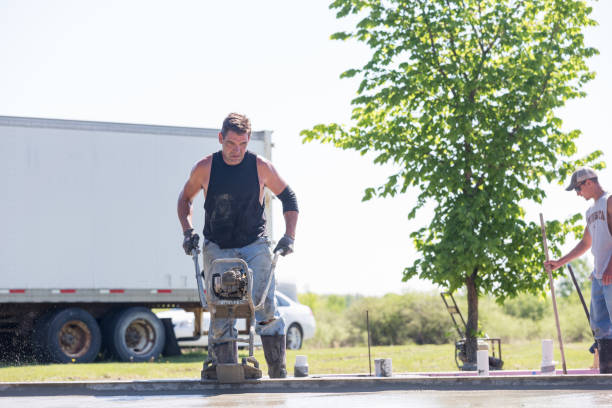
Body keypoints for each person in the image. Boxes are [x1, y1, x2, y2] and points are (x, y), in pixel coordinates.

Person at [177, 113, 298, 378]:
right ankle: (226, 371)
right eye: (231, 144)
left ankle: (278, 372)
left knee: (263, 304)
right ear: (221, 139)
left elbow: (289, 198)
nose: (237, 151)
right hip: (218, 246)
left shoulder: (260, 167)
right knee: (223, 307)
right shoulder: (206, 168)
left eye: (243, 144)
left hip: (254, 244)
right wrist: (188, 232)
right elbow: (185, 199)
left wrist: (289, 236)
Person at [545, 167, 612, 373]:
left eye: (578, 188)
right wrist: (560, 262)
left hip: (611, 273)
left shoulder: (609, 201)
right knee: (600, 326)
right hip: (598, 276)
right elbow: (586, 242)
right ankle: (607, 374)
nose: (577, 193)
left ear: (589, 182)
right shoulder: (591, 212)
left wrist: (611, 266)